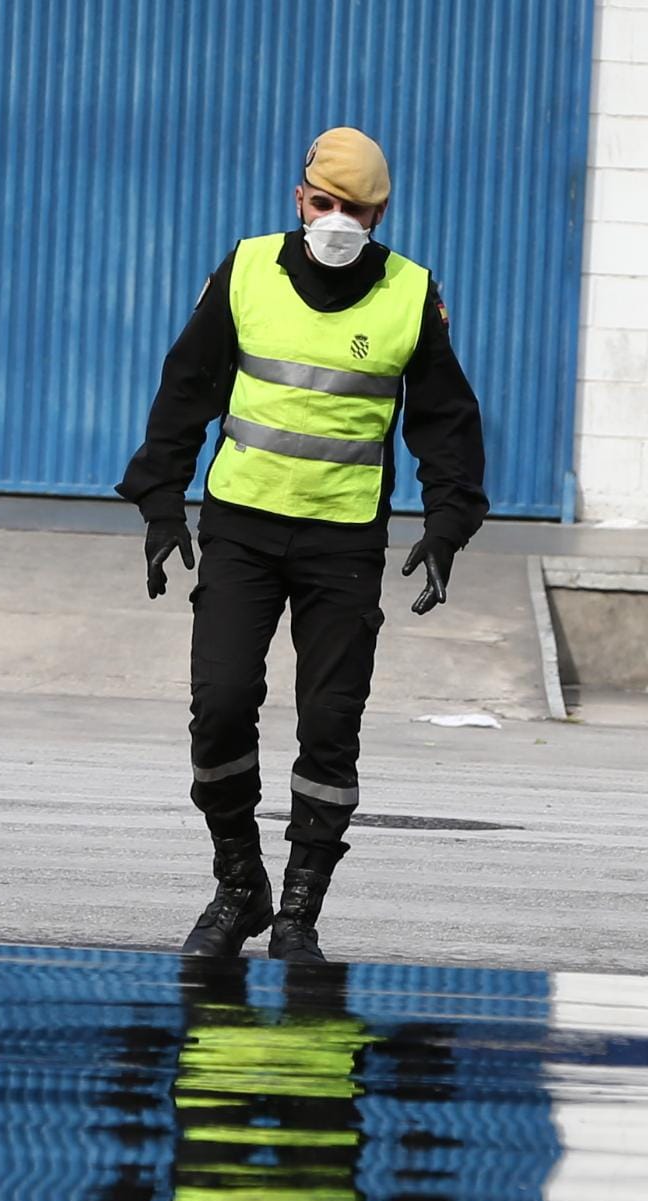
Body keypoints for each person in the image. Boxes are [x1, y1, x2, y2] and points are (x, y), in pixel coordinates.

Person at [117, 126, 487, 964]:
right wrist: (160, 502)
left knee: (329, 725)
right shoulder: (247, 270)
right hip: (242, 528)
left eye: (355, 209)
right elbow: (188, 385)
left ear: (379, 212)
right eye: (324, 204)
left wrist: (447, 520)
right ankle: (238, 883)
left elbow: (445, 419)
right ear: (299, 199)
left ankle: (299, 913)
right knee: (218, 706)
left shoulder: (407, 293)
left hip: (343, 542)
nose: (337, 221)